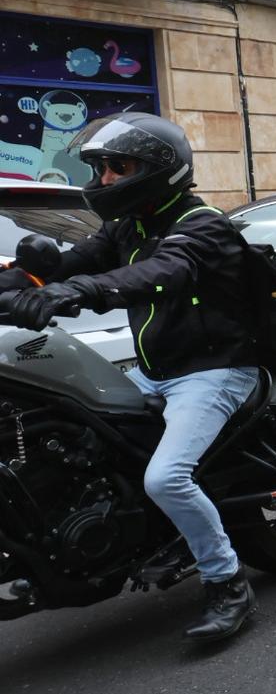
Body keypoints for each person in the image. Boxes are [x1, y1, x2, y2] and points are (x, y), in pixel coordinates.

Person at [4, 113, 260, 643]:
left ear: (158, 170)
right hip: (154, 370)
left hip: (212, 371)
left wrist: (78, 293)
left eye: (116, 168)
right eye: (101, 169)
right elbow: (72, 262)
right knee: (83, 439)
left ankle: (227, 581)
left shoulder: (203, 225)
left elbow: (160, 272)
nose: (103, 180)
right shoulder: (127, 225)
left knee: (166, 478)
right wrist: (22, 281)